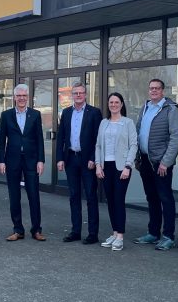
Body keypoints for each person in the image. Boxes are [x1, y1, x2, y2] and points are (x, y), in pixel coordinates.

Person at [134, 78, 178, 251]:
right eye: (151, 88)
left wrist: (166, 162)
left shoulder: (170, 109)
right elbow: (139, 131)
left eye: (157, 88)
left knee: (165, 198)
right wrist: (137, 157)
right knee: (151, 197)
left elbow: (175, 137)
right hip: (146, 160)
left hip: (161, 163)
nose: (153, 91)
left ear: (163, 91)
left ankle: (169, 236)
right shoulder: (145, 107)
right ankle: (153, 233)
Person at [56, 81, 103, 244]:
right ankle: (75, 231)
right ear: (72, 95)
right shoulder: (66, 112)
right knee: (74, 196)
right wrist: (59, 158)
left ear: (85, 94)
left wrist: (93, 158)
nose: (78, 95)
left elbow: (98, 138)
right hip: (70, 159)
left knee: (91, 196)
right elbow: (61, 137)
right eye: (75, 93)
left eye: (81, 93)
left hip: (87, 160)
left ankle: (92, 233)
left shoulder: (94, 113)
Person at [0, 84, 46, 242]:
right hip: (12, 160)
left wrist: (41, 160)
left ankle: (36, 230)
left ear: (28, 97)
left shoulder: (35, 115)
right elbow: (2, 139)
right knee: (14, 196)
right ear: (14, 97)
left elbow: (39, 139)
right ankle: (18, 230)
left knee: (33, 195)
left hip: (31, 161)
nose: (22, 98)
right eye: (19, 96)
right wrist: (1, 160)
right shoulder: (6, 115)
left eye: (24, 95)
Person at [95, 92, 137, 251]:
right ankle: (114, 232)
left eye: (116, 102)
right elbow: (98, 145)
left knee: (118, 200)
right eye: (111, 102)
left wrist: (128, 166)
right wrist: (98, 165)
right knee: (110, 200)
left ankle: (120, 236)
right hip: (106, 166)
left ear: (121, 104)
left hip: (121, 167)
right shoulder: (103, 123)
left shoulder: (128, 123)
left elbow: (133, 145)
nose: (113, 104)